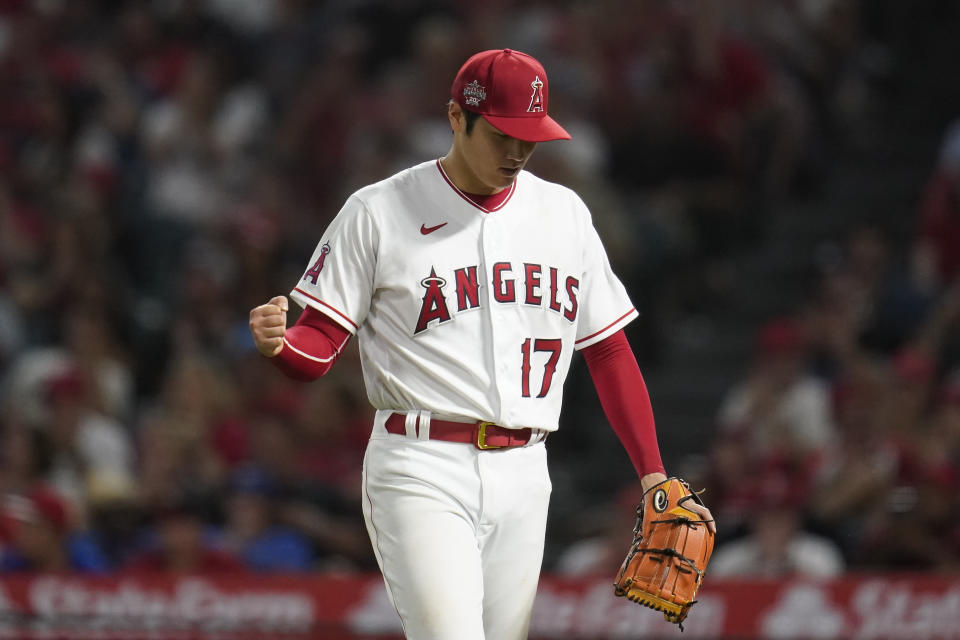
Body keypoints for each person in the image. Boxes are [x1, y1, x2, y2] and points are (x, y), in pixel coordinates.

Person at [249, 48, 714, 640]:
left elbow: (608, 349)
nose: (518, 152)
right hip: (421, 465)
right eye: (501, 135)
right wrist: (280, 346)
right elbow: (319, 346)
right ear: (455, 117)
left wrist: (652, 473)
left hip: (526, 469)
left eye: (531, 137)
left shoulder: (563, 213)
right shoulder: (378, 210)